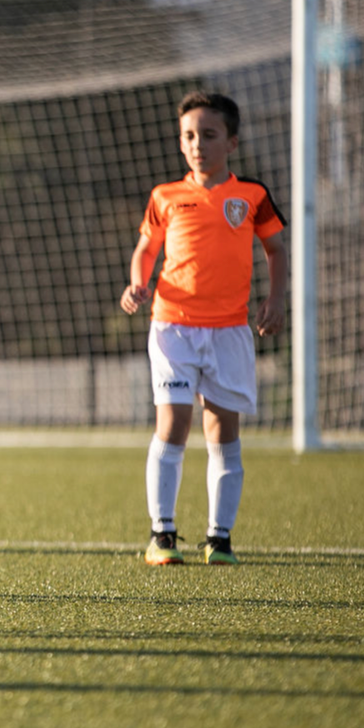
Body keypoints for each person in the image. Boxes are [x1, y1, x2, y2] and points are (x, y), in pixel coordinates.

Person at [120, 91, 288, 566]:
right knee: (172, 425)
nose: (198, 144)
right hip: (172, 327)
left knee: (223, 432)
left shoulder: (251, 195)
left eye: (209, 135)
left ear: (231, 142)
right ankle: (163, 536)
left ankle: (220, 539)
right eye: (189, 136)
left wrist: (275, 302)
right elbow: (146, 251)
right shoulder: (164, 197)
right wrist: (138, 284)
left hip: (231, 331)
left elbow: (276, 250)